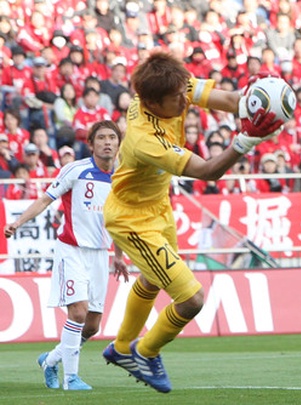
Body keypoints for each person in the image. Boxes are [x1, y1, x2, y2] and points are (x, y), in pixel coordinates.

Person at [100, 51, 281, 393]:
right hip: (131, 220)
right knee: (191, 300)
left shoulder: (171, 85)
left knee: (154, 282)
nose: (185, 100)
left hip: (158, 206)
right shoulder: (145, 139)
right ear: (151, 103)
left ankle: (122, 348)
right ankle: (146, 350)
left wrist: (257, 100)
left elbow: (228, 99)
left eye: (186, 92)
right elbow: (208, 171)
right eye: (177, 98)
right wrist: (247, 140)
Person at [4, 120, 129, 390]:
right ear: (91, 144)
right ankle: (71, 379)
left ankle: (50, 360)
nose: (107, 142)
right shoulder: (76, 170)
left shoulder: (122, 178)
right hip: (71, 250)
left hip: (100, 255)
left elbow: (119, 221)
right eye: (102, 138)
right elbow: (45, 199)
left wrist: (118, 255)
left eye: (112, 138)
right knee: (79, 312)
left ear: (119, 144)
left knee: (93, 325)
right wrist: (18, 222)